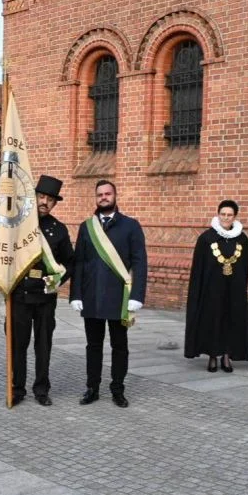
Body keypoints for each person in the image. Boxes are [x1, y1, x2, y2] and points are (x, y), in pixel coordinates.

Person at [70, 180, 147, 408]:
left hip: (119, 298)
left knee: (119, 346)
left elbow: (140, 263)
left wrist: (137, 296)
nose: (103, 197)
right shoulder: (87, 227)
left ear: (115, 195)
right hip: (92, 296)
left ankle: (117, 389)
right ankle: (92, 388)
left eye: (107, 193)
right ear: (96, 198)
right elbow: (79, 262)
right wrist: (75, 294)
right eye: (100, 194)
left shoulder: (131, 226)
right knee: (93, 346)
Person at [10, 175, 73, 406]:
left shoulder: (59, 230)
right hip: (20, 296)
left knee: (43, 346)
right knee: (18, 345)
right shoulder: (17, 225)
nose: (45, 202)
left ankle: (41, 390)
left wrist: (56, 282)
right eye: (42, 197)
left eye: (50, 199)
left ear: (55, 203)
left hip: (45, 298)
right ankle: (17, 389)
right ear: (34, 197)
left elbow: (70, 263)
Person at [184, 200, 248, 372]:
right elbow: (198, 266)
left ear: (234, 217)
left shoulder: (242, 239)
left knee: (231, 320)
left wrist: (241, 285)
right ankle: (213, 355)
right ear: (218, 215)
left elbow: (245, 265)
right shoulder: (206, 238)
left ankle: (227, 356)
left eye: (229, 215)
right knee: (213, 320)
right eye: (223, 214)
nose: (226, 218)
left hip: (234, 289)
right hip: (212, 288)